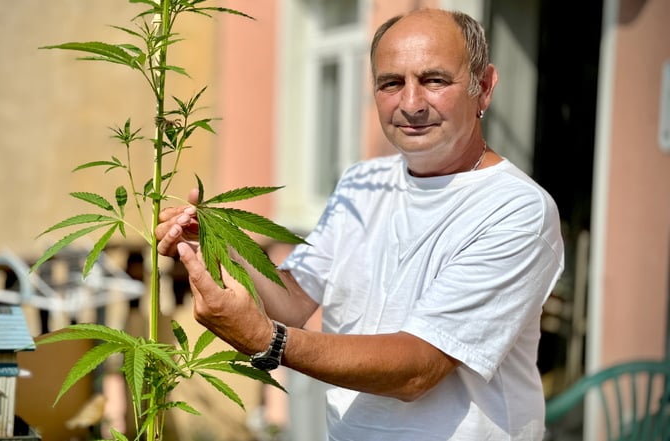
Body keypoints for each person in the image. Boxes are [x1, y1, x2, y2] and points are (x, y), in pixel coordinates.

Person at [156, 8, 564, 440]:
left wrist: (267, 340)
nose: (411, 103)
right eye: (391, 83)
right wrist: (223, 240)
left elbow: (418, 369)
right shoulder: (361, 182)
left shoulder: (517, 210)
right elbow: (295, 298)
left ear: (483, 88)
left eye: (434, 80)